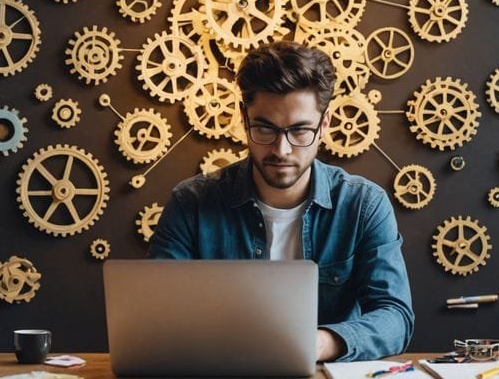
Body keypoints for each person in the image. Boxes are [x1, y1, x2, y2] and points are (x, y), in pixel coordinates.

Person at [147, 41, 414, 362]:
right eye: (265, 128)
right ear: (244, 119)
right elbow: (157, 316)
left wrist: (317, 344)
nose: (281, 149)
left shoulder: (364, 204)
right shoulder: (191, 203)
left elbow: (395, 316)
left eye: (300, 131)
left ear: (324, 126)